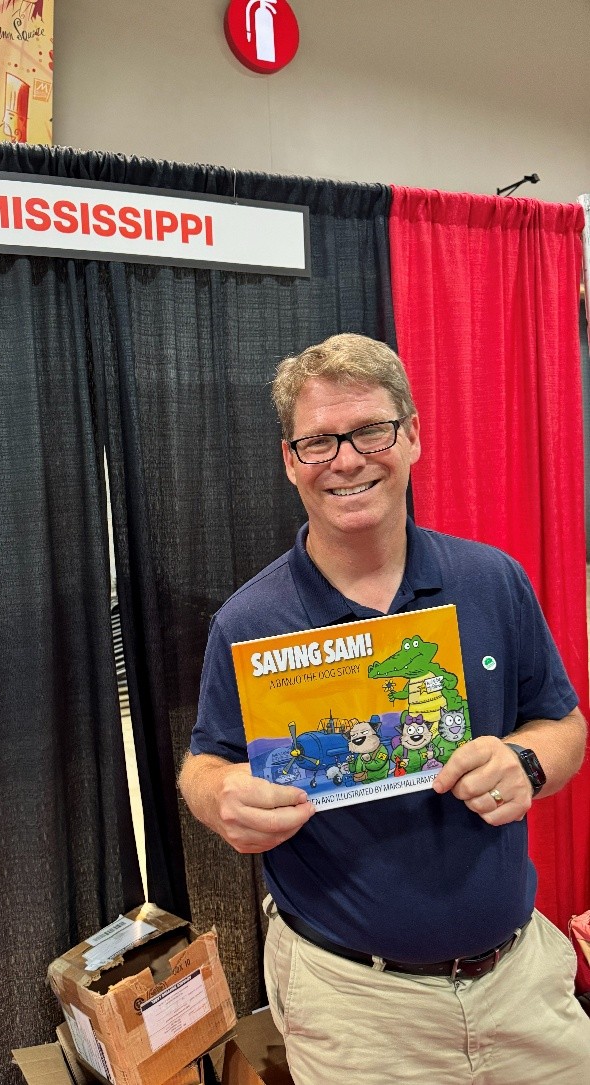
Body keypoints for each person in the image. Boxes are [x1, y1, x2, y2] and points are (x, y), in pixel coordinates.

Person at [179, 333, 590, 1084]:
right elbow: (205, 761)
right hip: (355, 1010)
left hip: (523, 984)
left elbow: (565, 725)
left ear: (412, 437)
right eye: (317, 441)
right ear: (288, 460)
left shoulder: (493, 580)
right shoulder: (250, 620)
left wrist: (528, 761)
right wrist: (220, 797)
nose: (346, 458)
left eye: (371, 429)